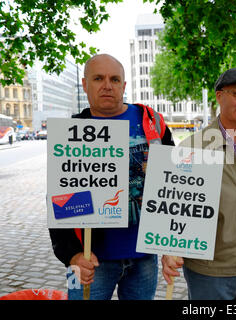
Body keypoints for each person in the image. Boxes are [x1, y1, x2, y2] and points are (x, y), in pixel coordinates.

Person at [49, 54, 174, 300]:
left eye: (115, 79)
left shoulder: (152, 121)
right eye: (98, 78)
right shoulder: (71, 131)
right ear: (85, 84)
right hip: (88, 260)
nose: (107, 85)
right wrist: (71, 255)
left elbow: (174, 184)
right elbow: (57, 200)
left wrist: (172, 245)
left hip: (145, 259)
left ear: (124, 86)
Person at [161, 68, 236, 300]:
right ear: (219, 96)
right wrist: (169, 250)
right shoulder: (191, 148)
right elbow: (172, 209)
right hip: (208, 272)